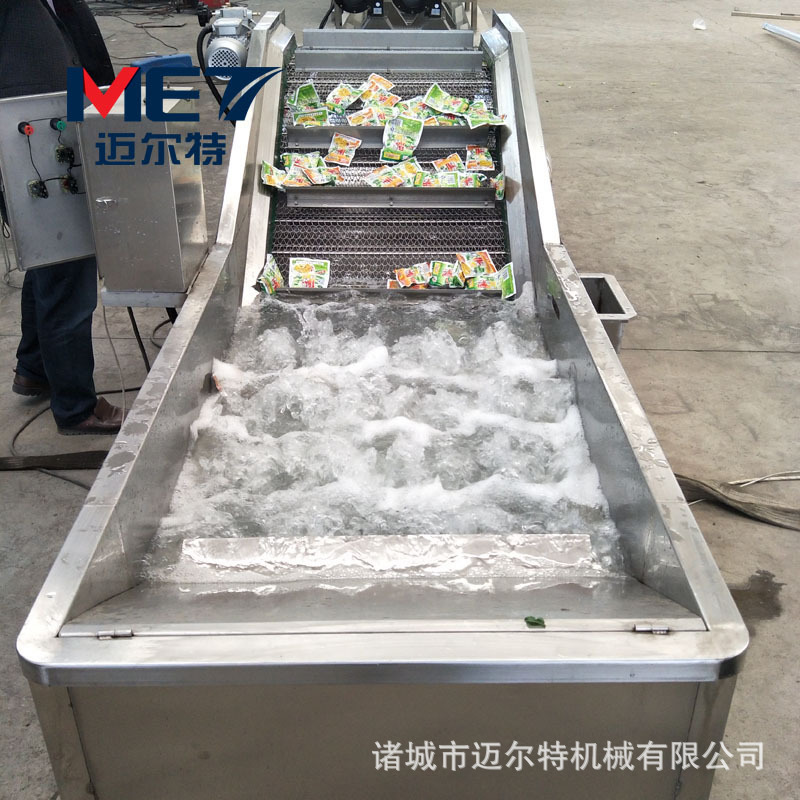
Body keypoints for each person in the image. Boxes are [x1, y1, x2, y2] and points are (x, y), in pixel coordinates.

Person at [0, 0, 124, 435]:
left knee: (48, 261)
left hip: (55, 130)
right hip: (26, 142)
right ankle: (76, 408)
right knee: (68, 274)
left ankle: (34, 368)